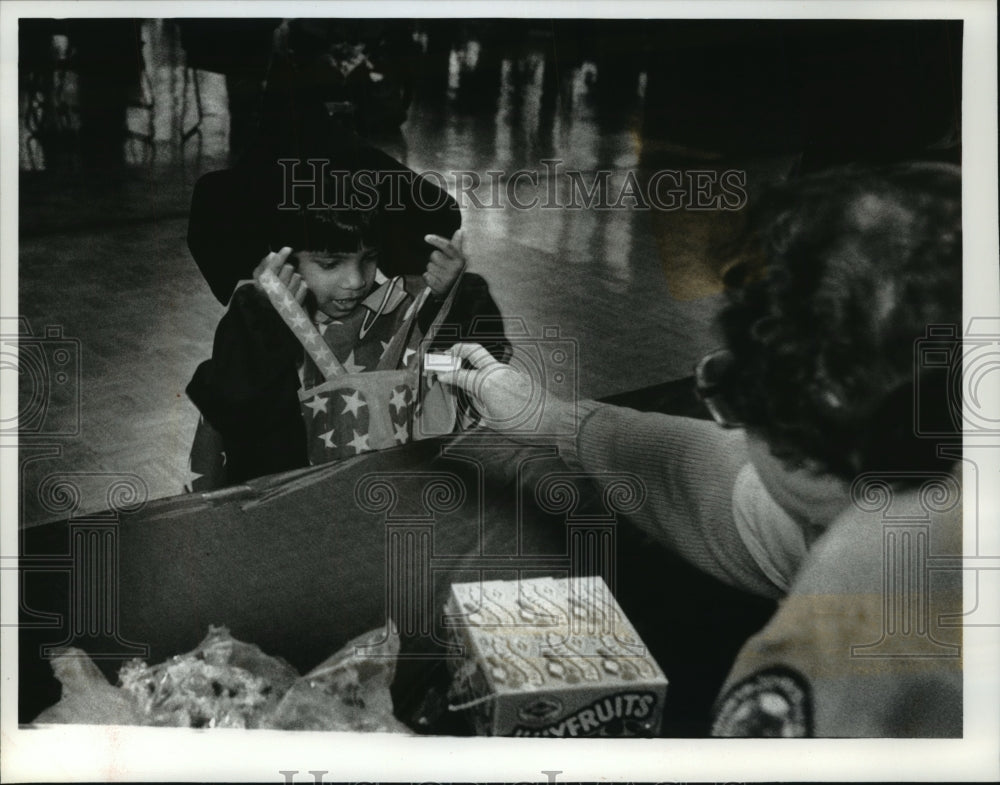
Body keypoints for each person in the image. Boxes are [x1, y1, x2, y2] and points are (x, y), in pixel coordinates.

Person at [437, 162, 963, 737]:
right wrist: (554, 419)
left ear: (799, 441)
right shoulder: (919, 491)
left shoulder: (870, 586)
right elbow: (730, 495)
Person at [186, 180, 511, 488]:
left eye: (368, 258)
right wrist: (262, 317)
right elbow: (240, 408)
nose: (355, 280)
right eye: (330, 264)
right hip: (296, 501)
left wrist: (453, 299)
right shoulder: (257, 321)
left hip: (396, 488)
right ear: (284, 262)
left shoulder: (404, 311)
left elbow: (456, 371)